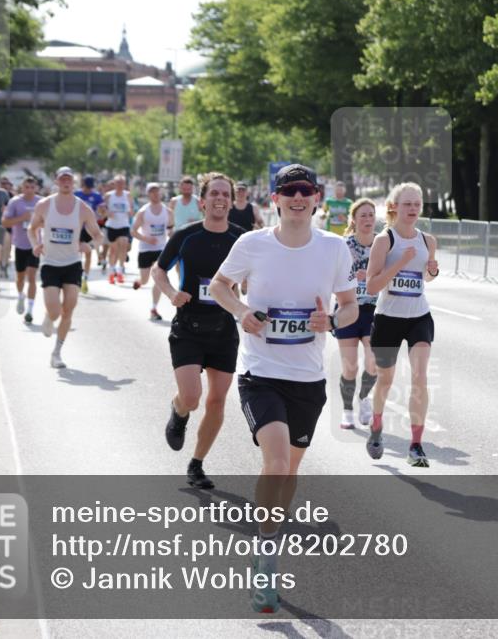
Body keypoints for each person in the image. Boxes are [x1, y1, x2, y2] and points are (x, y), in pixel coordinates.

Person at [209, 163, 357, 613]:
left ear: (316, 198)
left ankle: (269, 536)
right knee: (274, 461)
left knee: (289, 473)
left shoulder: (334, 248)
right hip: (261, 373)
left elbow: (350, 307)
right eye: (289, 190)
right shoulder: (251, 243)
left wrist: (330, 321)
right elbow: (219, 286)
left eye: (305, 190)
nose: (298, 198)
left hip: (308, 380)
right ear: (274, 198)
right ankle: (266, 557)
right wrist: (241, 312)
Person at [153, 172, 246, 490]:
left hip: (223, 329)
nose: (220, 199)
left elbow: (258, 275)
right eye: (215, 194)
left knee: (217, 401)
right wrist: (170, 294)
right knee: (192, 397)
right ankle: (178, 411)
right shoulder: (186, 235)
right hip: (188, 327)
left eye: (226, 194)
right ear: (203, 201)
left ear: (232, 202)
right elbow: (158, 268)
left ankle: (197, 463)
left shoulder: (241, 239)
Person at [364, 182, 439, 468]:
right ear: (394, 207)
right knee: (386, 379)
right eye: (407, 204)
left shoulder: (428, 240)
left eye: (417, 204)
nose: (413, 209)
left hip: (419, 317)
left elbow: (428, 276)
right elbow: (372, 286)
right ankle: (377, 424)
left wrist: (432, 270)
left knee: (420, 376)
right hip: (388, 320)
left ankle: (416, 445)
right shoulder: (385, 241)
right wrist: (400, 263)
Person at [28, 167, 104, 369]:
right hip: (50, 263)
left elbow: (98, 235)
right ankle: (48, 316)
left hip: (72, 264)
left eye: (69, 179)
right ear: (56, 181)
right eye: (62, 179)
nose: (66, 182)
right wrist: (36, 244)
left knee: (68, 310)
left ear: (74, 183)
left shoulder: (83, 208)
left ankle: (56, 353)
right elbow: (32, 229)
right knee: (55, 311)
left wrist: (90, 246)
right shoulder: (44, 205)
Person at [333, 198, 379, 429]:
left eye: (371, 215)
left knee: (374, 362)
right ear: (354, 219)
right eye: (363, 215)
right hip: (348, 307)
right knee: (350, 366)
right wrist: (353, 276)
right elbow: (332, 275)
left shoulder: (383, 244)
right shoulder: (344, 245)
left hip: (373, 310)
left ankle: (364, 398)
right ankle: (347, 409)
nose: (368, 219)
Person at [131, 182, 173, 321]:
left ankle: (154, 308)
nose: (155, 194)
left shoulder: (168, 212)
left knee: (159, 278)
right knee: (145, 280)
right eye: (152, 191)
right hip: (145, 249)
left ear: (160, 193)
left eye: (157, 191)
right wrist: (146, 239)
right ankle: (139, 281)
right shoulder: (143, 212)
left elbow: (170, 230)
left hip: (161, 249)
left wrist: (173, 240)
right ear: (148, 194)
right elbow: (133, 231)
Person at [3, 176, 41, 323]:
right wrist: (22, 218)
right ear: (22, 188)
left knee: (32, 277)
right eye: (27, 187)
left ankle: (30, 310)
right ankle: (20, 296)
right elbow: (5, 222)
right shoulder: (15, 202)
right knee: (20, 277)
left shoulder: (41, 202)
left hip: (35, 245)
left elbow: (49, 221)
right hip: (20, 244)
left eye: (32, 187)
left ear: (36, 188)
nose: (29, 190)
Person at [75, 175, 106, 294]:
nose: (88, 189)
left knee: (88, 253)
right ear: (83, 185)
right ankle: (77, 275)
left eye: (90, 187)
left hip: (89, 228)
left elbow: (103, 212)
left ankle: (85, 279)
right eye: (87, 187)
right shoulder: (77, 194)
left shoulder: (96, 196)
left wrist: (102, 212)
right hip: (77, 228)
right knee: (77, 253)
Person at [104, 175, 134, 284]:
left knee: (124, 244)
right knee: (114, 251)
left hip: (124, 225)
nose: (120, 185)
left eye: (122, 183)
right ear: (114, 184)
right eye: (118, 183)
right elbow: (102, 210)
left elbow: (132, 210)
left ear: (124, 184)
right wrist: (107, 213)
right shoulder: (108, 196)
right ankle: (112, 272)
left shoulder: (128, 195)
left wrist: (131, 213)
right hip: (111, 226)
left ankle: (120, 271)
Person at [0, 177, 15, 277]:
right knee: (0, 248)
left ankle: (4, 265)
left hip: (9, 225)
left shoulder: (13, 197)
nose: (5, 185)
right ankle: (1, 265)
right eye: (3, 183)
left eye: (6, 183)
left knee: (7, 248)